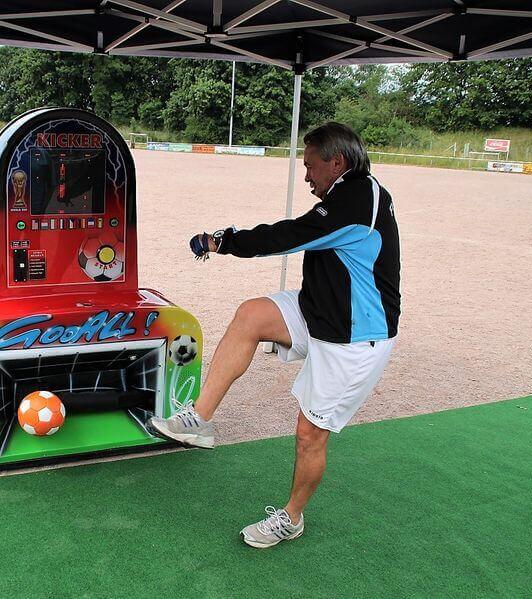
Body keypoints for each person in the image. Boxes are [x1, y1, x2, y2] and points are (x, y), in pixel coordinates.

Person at [150, 122, 401, 549]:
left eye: (310, 166)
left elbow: (287, 236)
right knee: (252, 315)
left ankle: (291, 518)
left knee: (309, 435)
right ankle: (199, 421)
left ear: (336, 162)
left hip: (355, 337)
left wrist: (222, 241)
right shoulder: (354, 191)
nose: (306, 177)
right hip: (319, 310)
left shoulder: (356, 200)